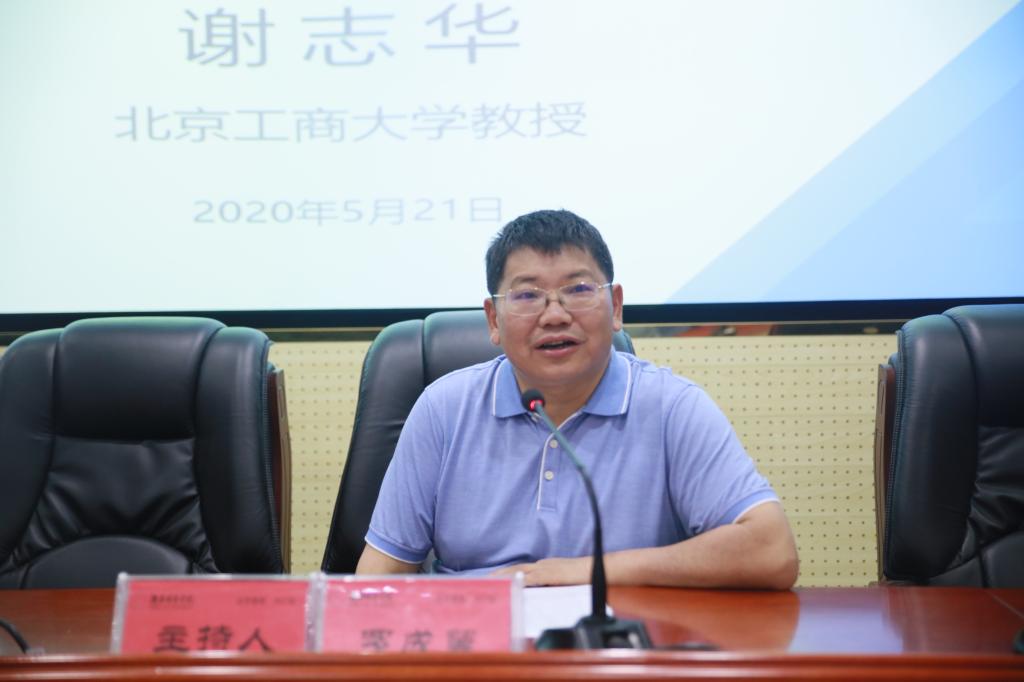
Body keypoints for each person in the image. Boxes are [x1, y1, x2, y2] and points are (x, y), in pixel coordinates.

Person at [356, 209, 799, 589]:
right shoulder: (443, 409)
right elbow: (379, 575)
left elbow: (771, 551)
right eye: (527, 295)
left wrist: (578, 573)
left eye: (579, 289)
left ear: (616, 307)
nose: (554, 315)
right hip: (477, 638)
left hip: (618, 640)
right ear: (493, 319)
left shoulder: (672, 407)